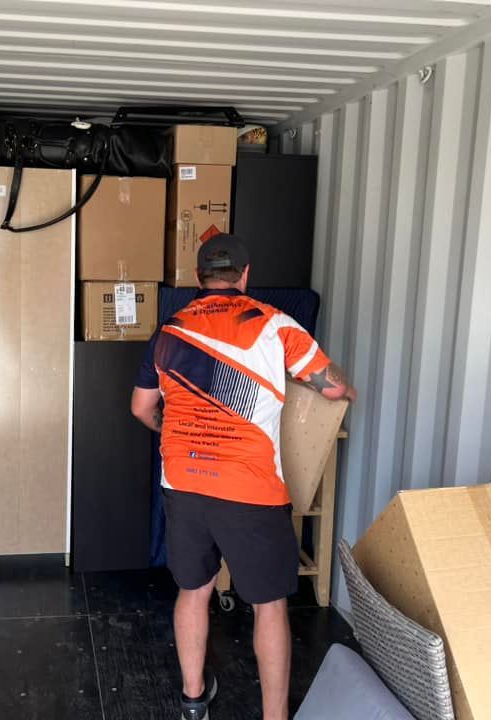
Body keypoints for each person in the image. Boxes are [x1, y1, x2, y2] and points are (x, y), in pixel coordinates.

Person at [131, 234, 356, 720]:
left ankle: (194, 699)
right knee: (269, 606)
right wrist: (338, 383)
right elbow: (334, 388)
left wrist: (179, 436)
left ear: (198, 278)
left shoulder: (168, 331)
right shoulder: (276, 326)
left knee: (193, 591)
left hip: (184, 485)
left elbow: (141, 407)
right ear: (246, 275)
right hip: (250, 490)